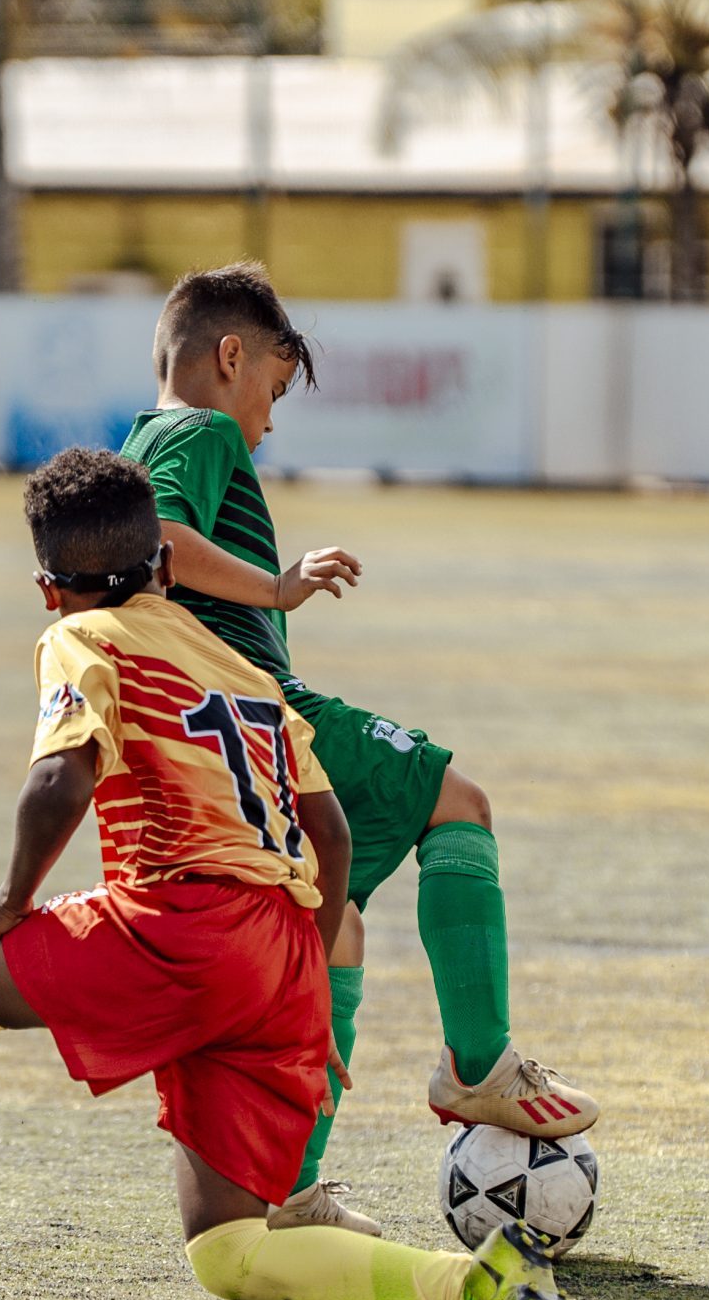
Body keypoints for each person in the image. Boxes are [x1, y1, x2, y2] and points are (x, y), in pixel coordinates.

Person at [0, 447, 572, 1300]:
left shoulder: (80, 636)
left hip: (186, 921)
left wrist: (8, 902)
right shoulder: (246, 673)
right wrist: (309, 981)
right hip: (281, 946)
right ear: (165, 565)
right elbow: (333, 838)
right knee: (229, 1250)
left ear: (49, 589)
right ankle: (469, 1281)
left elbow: (61, 780)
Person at [120, 262, 598, 1238]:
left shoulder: (143, 436)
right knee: (455, 800)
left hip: (226, 734)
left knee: (332, 935)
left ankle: (292, 1197)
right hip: (270, 714)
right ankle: (478, 1066)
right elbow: (160, 543)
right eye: (274, 392)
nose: (267, 424)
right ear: (228, 358)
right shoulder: (198, 430)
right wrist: (280, 587)